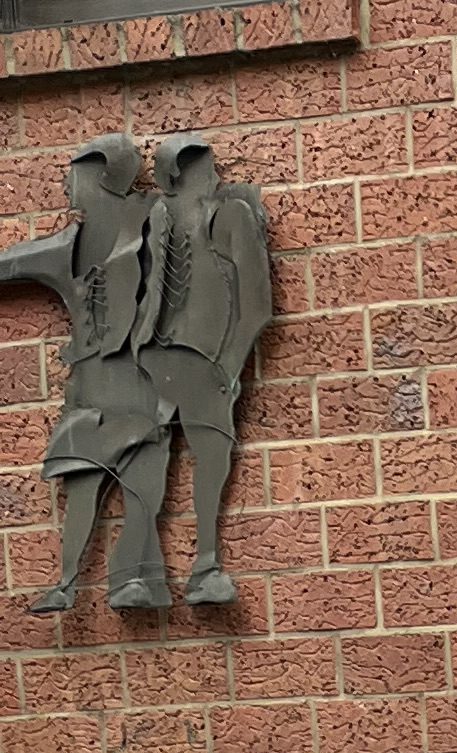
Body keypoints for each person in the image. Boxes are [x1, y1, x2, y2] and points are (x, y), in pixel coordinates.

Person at [0, 138, 171, 615]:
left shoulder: (156, 226)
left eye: (75, 172)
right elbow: (11, 263)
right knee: (80, 478)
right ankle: (68, 580)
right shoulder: (67, 246)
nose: (65, 181)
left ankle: (135, 580)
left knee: (142, 483)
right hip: (90, 387)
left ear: (103, 174)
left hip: (146, 382)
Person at [137, 138, 273, 610]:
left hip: (206, 361)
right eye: (194, 169)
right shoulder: (155, 220)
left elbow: (256, 304)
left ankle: (207, 564)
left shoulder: (230, 215)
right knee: (143, 458)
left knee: (211, 452)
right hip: (154, 361)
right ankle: (143, 571)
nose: (208, 175)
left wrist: (229, 365)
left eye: (205, 166)